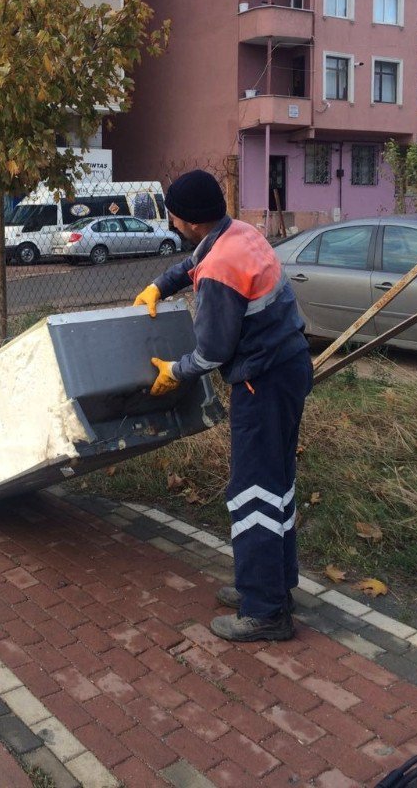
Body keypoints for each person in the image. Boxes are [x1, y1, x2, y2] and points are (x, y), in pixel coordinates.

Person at [134, 169, 313, 642]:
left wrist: (175, 371)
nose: (171, 224)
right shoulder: (240, 233)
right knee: (277, 484)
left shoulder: (219, 269)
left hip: (262, 381)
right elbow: (198, 261)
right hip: (290, 366)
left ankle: (265, 611)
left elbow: (211, 352)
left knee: (252, 491)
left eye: (173, 217)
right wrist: (162, 284)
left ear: (190, 220)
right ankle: (276, 586)